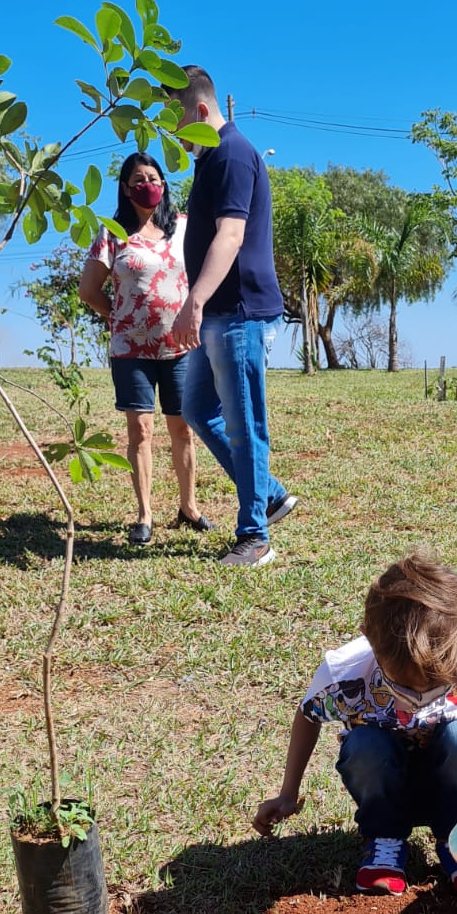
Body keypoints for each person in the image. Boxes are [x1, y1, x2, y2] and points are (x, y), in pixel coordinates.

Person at [254, 552, 457, 897]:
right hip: (382, 777)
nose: (418, 698)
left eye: (438, 686)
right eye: (401, 685)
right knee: (364, 745)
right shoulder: (345, 675)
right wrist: (288, 793)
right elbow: (308, 714)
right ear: (370, 641)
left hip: (451, 774)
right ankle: (385, 838)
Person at [168, 66, 298, 567]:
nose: (176, 140)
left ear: (201, 112)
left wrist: (193, 301)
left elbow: (231, 236)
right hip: (218, 314)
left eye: (177, 126)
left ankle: (254, 537)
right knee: (199, 409)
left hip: (237, 312)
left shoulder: (232, 154)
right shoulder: (211, 160)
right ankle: (268, 493)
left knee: (244, 423)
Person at [79, 151, 213, 546]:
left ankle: (189, 507)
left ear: (164, 184)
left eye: (153, 178)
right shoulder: (112, 233)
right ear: (125, 188)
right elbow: (89, 291)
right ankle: (144, 514)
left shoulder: (185, 229)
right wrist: (120, 316)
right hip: (130, 352)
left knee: (182, 429)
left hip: (181, 347)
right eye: (138, 180)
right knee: (140, 430)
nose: (147, 185)